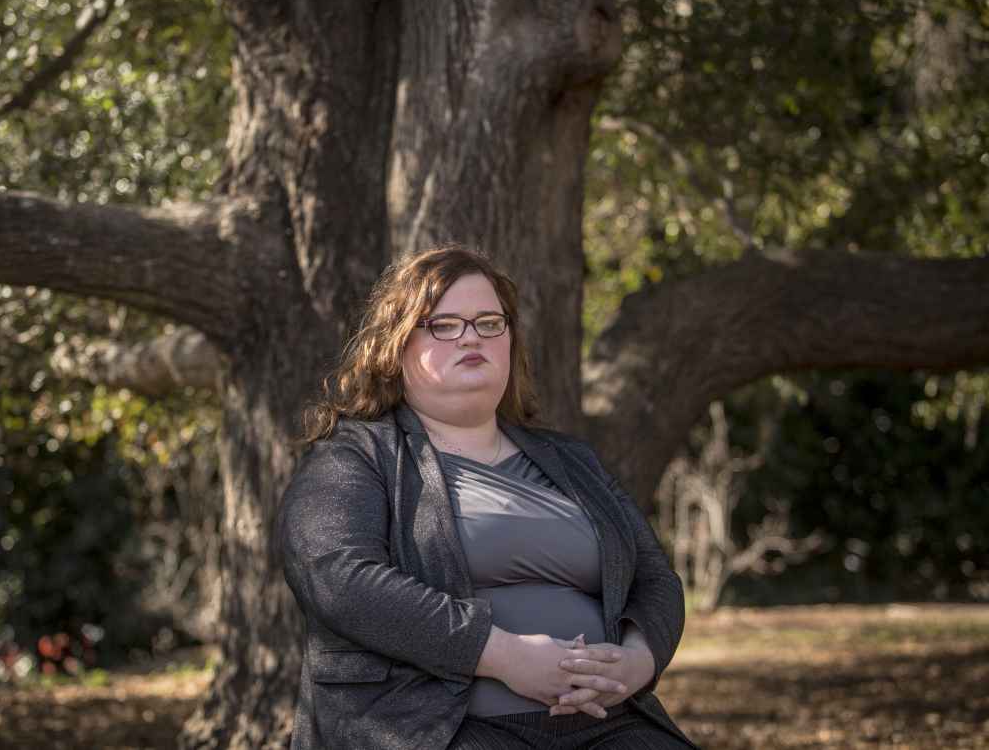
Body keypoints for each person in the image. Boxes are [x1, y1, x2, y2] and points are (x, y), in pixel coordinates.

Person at [276, 245, 697, 749]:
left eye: (488, 322)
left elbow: (654, 577)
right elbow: (338, 578)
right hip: (436, 727)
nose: (471, 336)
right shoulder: (355, 455)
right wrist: (502, 656)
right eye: (443, 324)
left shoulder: (572, 461)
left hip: (605, 722)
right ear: (396, 347)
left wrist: (636, 661)